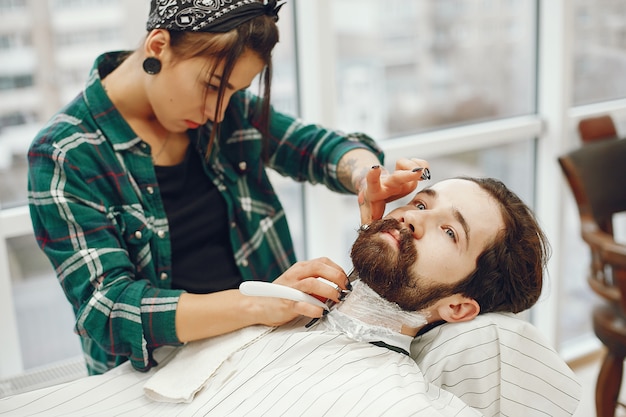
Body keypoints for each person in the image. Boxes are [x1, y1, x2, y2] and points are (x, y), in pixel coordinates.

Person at [26, 0, 427, 375]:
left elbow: (317, 148)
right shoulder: (64, 155)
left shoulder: (228, 112)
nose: (217, 110)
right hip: (155, 376)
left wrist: (365, 175)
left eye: (234, 91)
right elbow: (109, 309)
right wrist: (258, 303)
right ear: (158, 45)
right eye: (213, 86)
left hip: (265, 349)